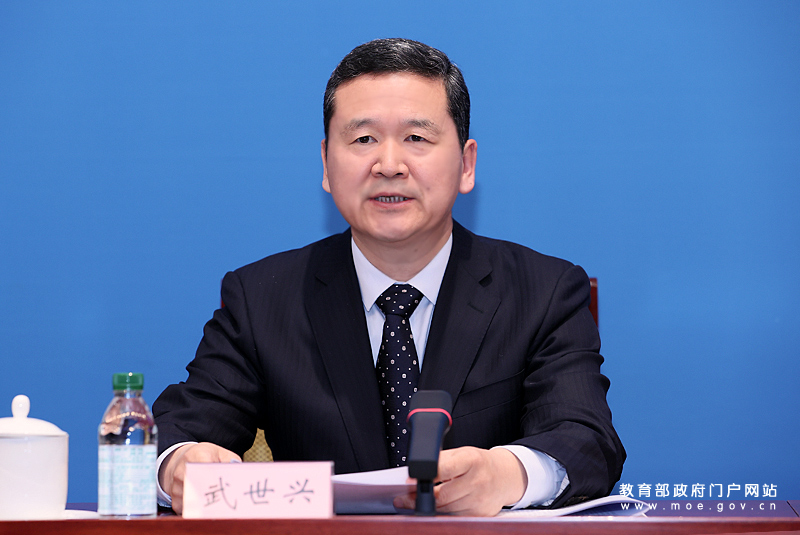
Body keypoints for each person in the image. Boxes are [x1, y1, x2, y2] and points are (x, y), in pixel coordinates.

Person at [152, 37, 625, 516]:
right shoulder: (263, 299)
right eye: (363, 140)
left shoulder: (543, 292)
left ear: (466, 164)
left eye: (416, 138)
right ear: (326, 164)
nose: (389, 165)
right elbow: (179, 433)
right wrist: (178, 465)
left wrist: (508, 475)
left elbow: (586, 440)